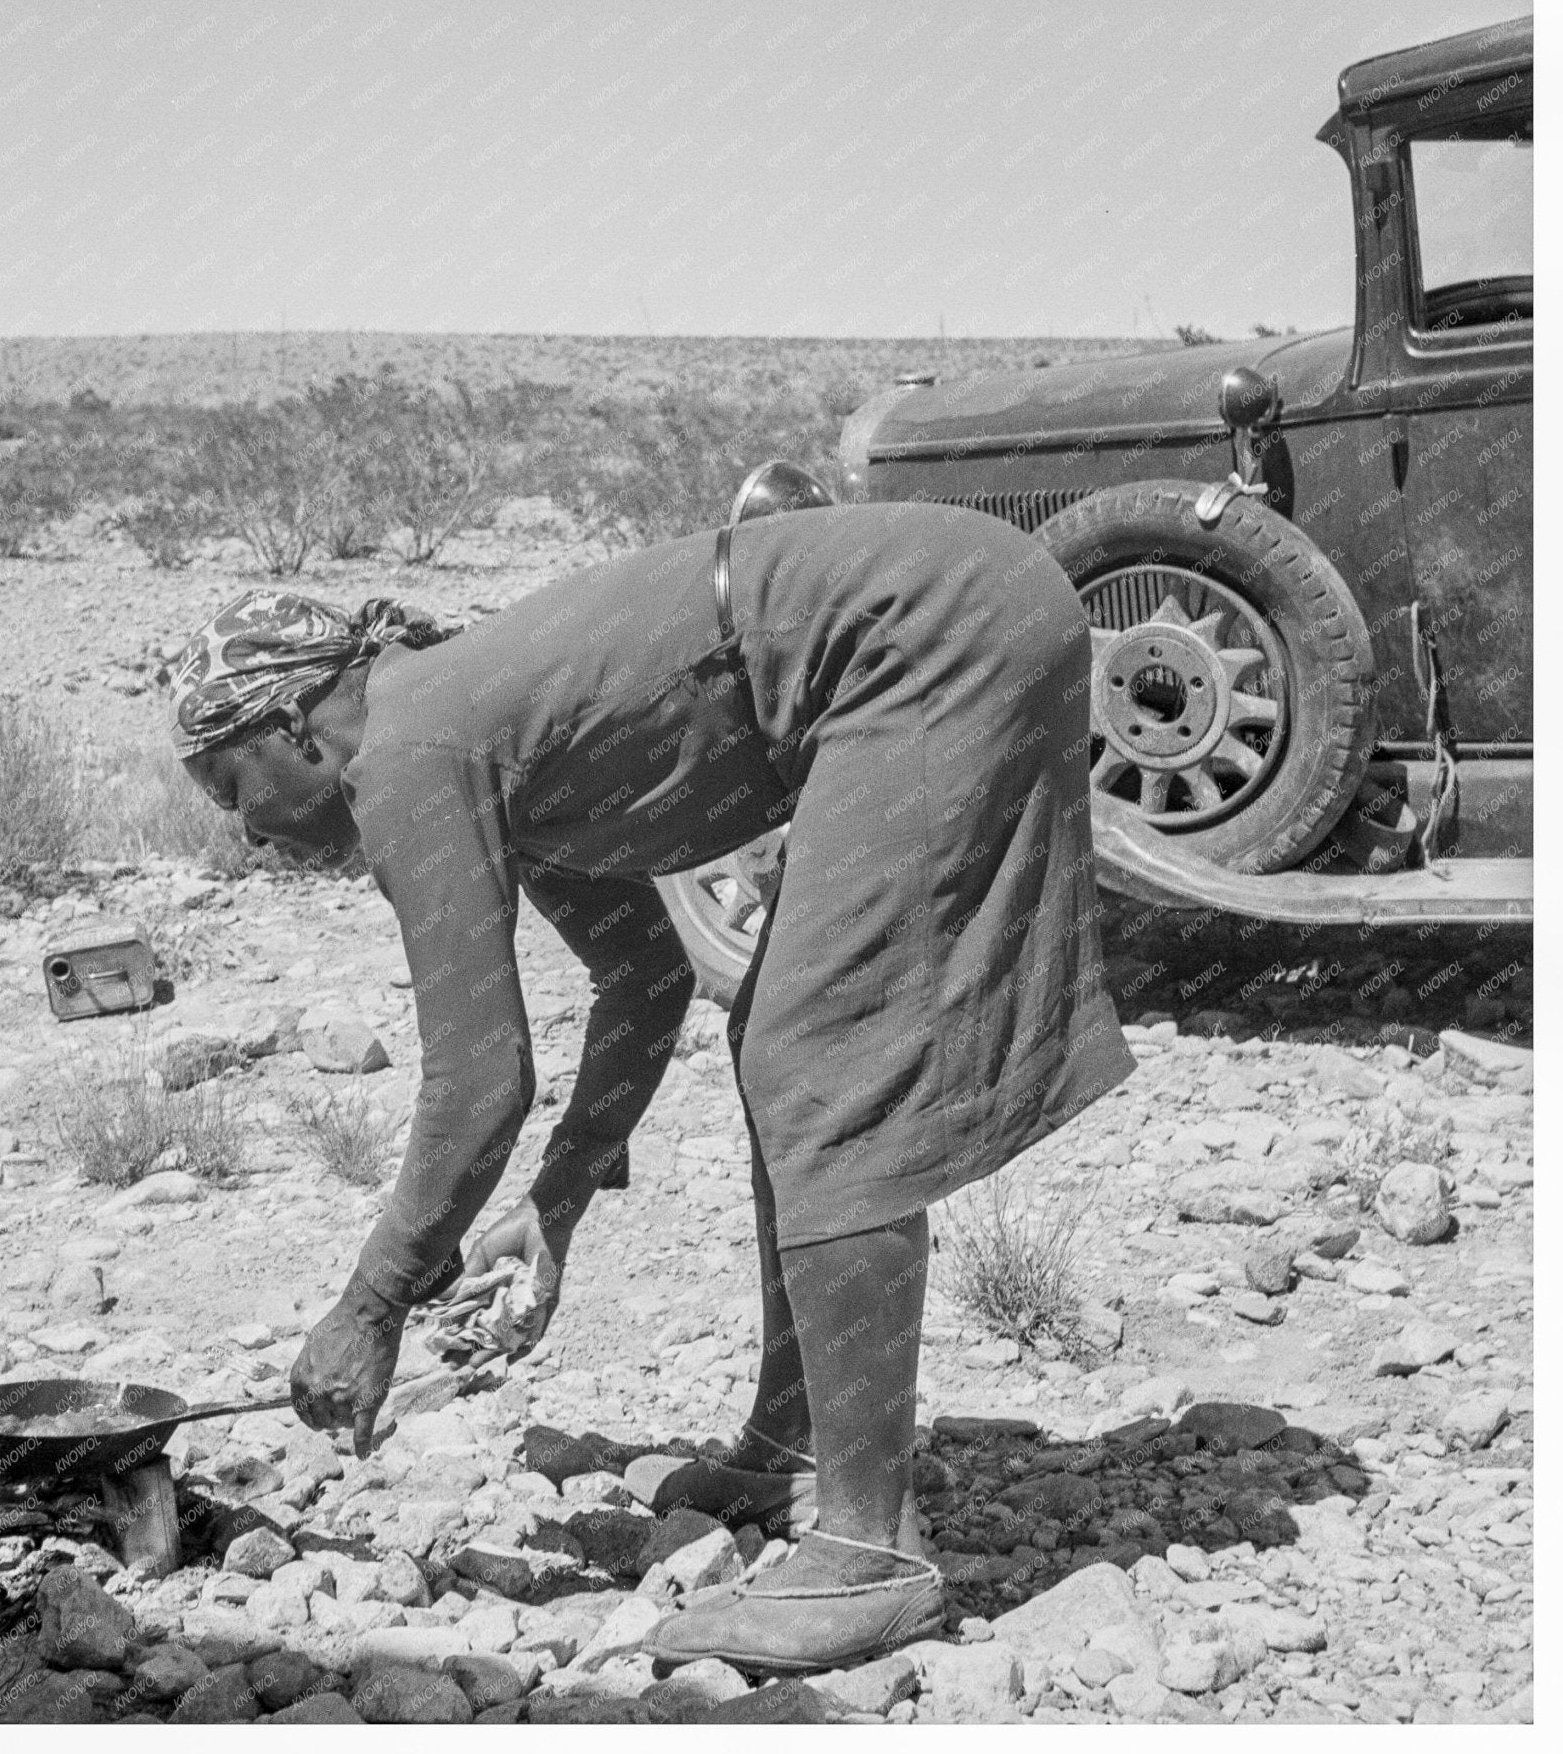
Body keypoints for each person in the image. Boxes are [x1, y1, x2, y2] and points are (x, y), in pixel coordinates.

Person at [170, 501, 1135, 1674]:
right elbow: (643, 979)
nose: (247, 833)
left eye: (229, 788)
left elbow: (478, 1077)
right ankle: (790, 1445)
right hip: (946, 612)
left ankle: (872, 1548)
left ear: (292, 728)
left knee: (814, 1050)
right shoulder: (466, 737)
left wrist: (370, 1305)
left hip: (929, 632)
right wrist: (557, 1202)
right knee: (773, 1038)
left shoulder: (406, 753)